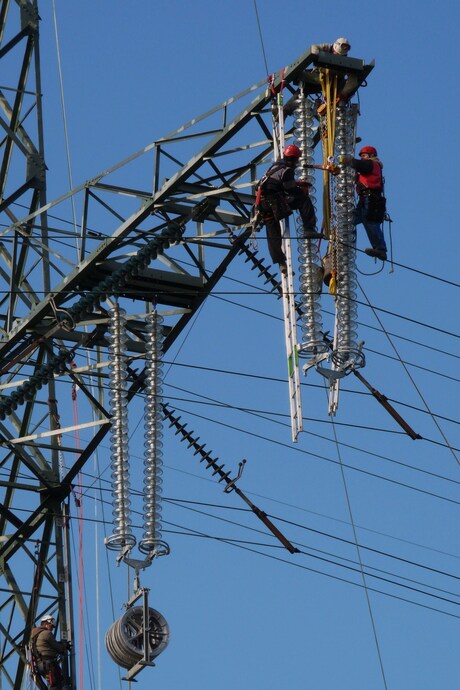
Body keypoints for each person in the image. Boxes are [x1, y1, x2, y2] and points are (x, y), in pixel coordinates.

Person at [256, 144, 320, 274]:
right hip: (275, 203)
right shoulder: (287, 169)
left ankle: (281, 262)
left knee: (273, 232)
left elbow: (276, 184)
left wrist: (296, 183)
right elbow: (288, 188)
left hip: (263, 205)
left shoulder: (274, 167)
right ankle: (309, 229)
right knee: (303, 199)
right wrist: (301, 188)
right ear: (295, 159)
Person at [339, 145, 387, 261]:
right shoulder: (368, 168)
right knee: (349, 220)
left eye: (364, 156)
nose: (362, 158)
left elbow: (360, 165)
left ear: (371, 156)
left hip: (370, 200)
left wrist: (347, 160)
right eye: (361, 156)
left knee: (370, 222)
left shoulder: (372, 164)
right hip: (364, 201)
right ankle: (343, 242)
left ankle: (380, 249)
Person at [30, 615, 68, 690]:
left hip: (39, 666)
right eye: (51, 626)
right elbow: (57, 647)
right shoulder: (47, 633)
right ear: (46, 623)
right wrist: (64, 647)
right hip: (48, 664)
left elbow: (45, 645)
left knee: (52, 683)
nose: (52, 629)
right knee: (57, 684)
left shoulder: (34, 635)